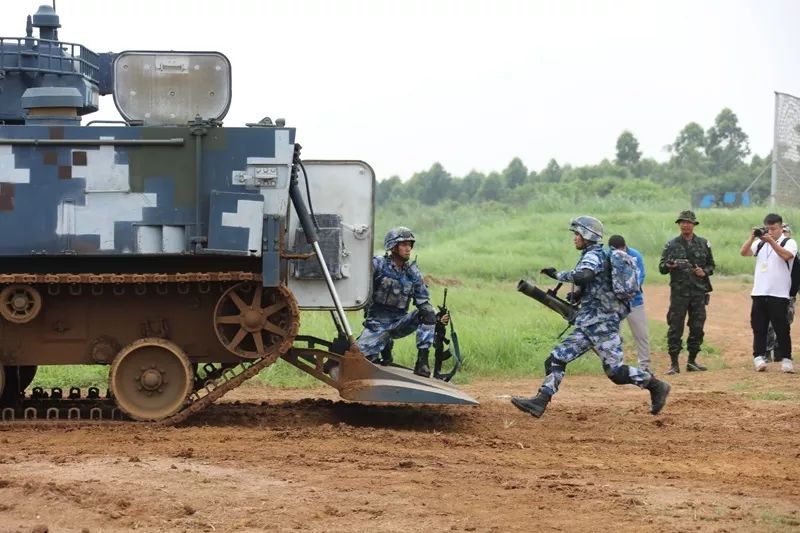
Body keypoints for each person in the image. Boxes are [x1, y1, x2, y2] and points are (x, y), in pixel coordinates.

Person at [511, 216, 670, 419]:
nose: (574, 239)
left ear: (586, 235)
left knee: (591, 366)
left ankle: (656, 385)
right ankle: (540, 401)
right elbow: (593, 284)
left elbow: (584, 275)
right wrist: (578, 295)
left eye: (576, 234)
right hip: (597, 322)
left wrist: (558, 275)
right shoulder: (598, 255)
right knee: (585, 365)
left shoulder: (593, 256)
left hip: (598, 324)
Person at [356, 227, 448, 377]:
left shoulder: (412, 271)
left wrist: (436, 316)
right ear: (393, 246)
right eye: (403, 244)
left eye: (409, 244)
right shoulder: (378, 264)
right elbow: (359, 286)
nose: (408, 248)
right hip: (376, 325)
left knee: (428, 313)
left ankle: (422, 363)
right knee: (360, 362)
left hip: (400, 322)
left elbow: (423, 301)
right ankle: (384, 348)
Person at [659, 210, 715, 374]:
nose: (685, 224)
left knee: (697, 327)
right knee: (675, 327)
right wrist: (669, 266)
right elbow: (661, 267)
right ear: (679, 224)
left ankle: (692, 361)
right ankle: (674, 364)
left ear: (694, 224)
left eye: (688, 222)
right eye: (682, 222)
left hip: (698, 293)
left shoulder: (704, 244)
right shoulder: (672, 245)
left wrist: (704, 272)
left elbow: (711, 265)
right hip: (679, 293)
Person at [739, 214, 796, 373]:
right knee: (759, 327)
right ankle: (758, 357)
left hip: (779, 293)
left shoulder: (788, 242)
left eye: (774, 228)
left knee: (782, 328)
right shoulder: (760, 244)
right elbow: (743, 253)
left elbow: (786, 255)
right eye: (768, 228)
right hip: (759, 292)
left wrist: (771, 241)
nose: (770, 231)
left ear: (780, 228)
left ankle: (786, 358)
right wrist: (752, 238)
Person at [608, 235, 651, 372]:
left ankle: (645, 366)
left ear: (625, 247)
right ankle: (616, 366)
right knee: (615, 335)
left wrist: (628, 292)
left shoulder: (635, 255)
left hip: (635, 301)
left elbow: (640, 276)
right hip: (615, 303)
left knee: (641, 334)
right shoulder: (608, 256)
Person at [765, 223, 795, 362]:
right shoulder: (770, 250)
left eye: (787, 233)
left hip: (789, 294)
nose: (785, 235)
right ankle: (766, 351)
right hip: (774, 292)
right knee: (770, 323)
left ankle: (779, 352)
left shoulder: (793, 252)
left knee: (786, 322)